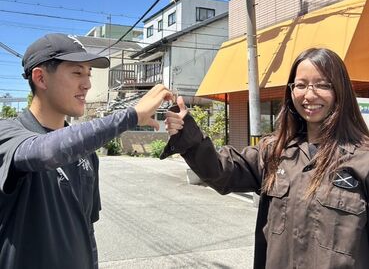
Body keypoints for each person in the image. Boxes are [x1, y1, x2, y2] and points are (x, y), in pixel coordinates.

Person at [161, 48, 369, 269]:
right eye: (300, 85)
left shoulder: (362, 159)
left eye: (322, 84)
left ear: (341, 91)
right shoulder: (274, 151)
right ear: (291, 91)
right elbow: (221, 172)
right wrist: (189, 135)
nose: (309, 95)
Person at [0, 33, 172, 269]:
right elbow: (42, 152)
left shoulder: (85, 151)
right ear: (40, 78)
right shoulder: (8, 134)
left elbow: (86, 228)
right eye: (77, 72)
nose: (87, 84)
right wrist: (131, 115)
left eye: (89, 74)